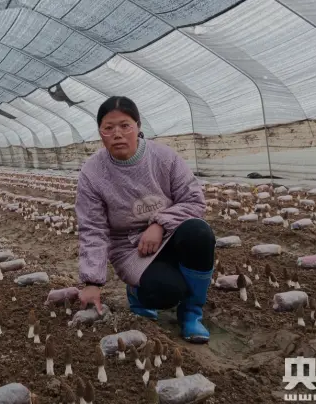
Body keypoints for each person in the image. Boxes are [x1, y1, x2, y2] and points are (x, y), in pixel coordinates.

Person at [75, 96, 215, 343]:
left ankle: (191, 312)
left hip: (170, 234)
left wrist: (159, 223)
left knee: (199, 233)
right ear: (101, 133)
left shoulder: (164, 157)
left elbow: (194, 201)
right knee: (165, 292)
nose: (117, 134)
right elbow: (93, 228)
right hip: (129, 247)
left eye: (125, 125)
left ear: (138, 126)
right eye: (109, 128)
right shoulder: (93, 173)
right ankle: (138, 292)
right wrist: (92, 281)